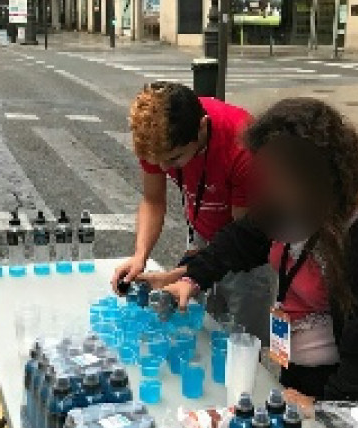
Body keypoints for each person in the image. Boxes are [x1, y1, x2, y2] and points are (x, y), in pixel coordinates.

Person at [158, 98, 358, 428]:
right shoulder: (296, 201)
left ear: (315, 172)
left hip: (343, 396)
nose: (270, 188)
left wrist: (324, 410)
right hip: (295, 370)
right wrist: (192, 278)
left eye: (278, 177)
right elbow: (244, 238)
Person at [112, 82, 272, 344]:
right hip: (203, 235)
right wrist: (140, 255)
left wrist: (185, 273)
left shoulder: (242, 146)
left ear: (201, 128)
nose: (164, 167)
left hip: (246, 246)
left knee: (241, 338)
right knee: (199, 326)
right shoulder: (156, 141)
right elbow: (153, 201)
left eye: (174, 159)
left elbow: (242, 239)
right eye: (157, 162)